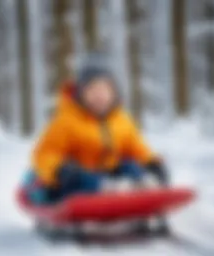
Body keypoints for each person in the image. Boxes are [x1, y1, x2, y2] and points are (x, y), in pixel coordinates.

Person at [22, 52, 169, 206]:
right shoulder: (66, 121)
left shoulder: (122, 120)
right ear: (80, 93)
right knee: (82, 178)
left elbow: (138, 149)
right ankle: (110, 190)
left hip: (111, 174)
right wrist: (60, 170)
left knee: (131, 166)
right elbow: (45, 153)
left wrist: (152, 163)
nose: (99, 95)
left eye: (105, 89)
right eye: (92, 90)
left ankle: (145, 187)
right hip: (76, 181)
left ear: (114, 92)